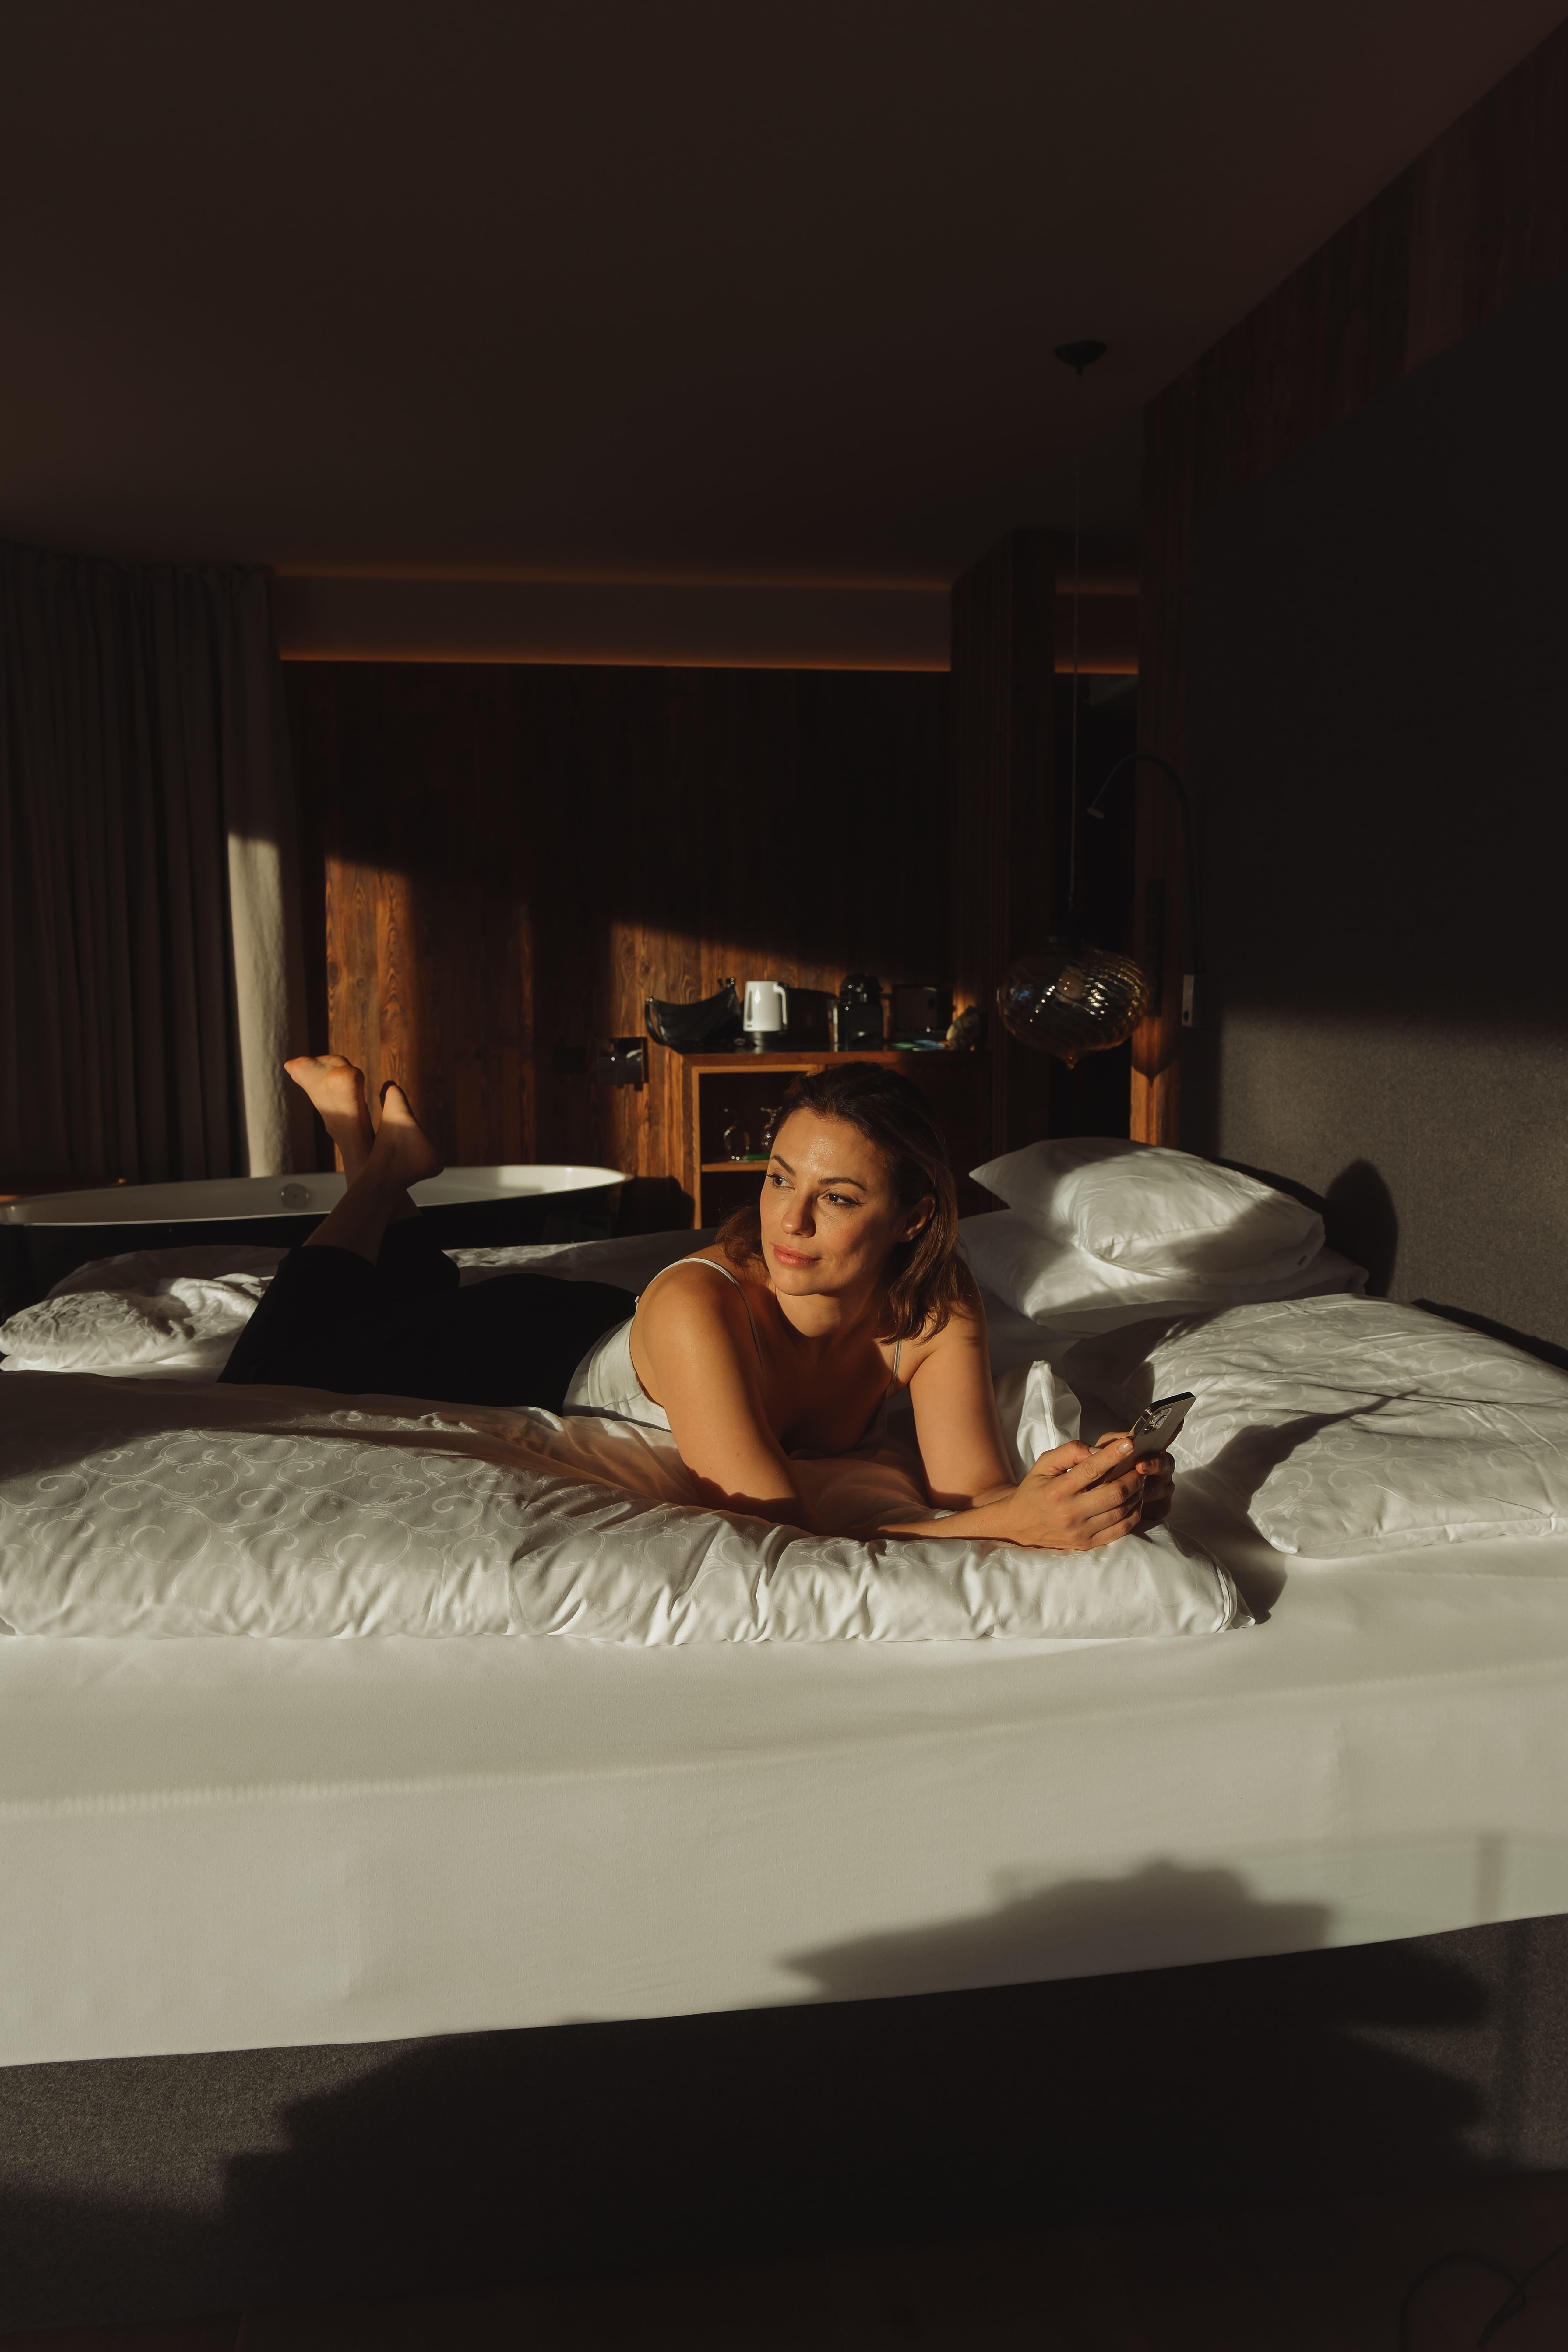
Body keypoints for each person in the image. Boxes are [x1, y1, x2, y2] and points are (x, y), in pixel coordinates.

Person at [224, 1055, 1172, 1551]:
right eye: (779, 1177)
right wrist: (1010, 1525)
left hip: (611, 1324)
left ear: (914, 1218)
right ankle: (378, 1163)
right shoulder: (698, 1303)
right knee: (269, 1367)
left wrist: (1073, 1491)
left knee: (404, 1286)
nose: (789, 1220)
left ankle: (377, 1157)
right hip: (518, 1350)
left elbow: (972, 1492)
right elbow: (773, 1521)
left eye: (839, 1198)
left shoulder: (935, 1300)